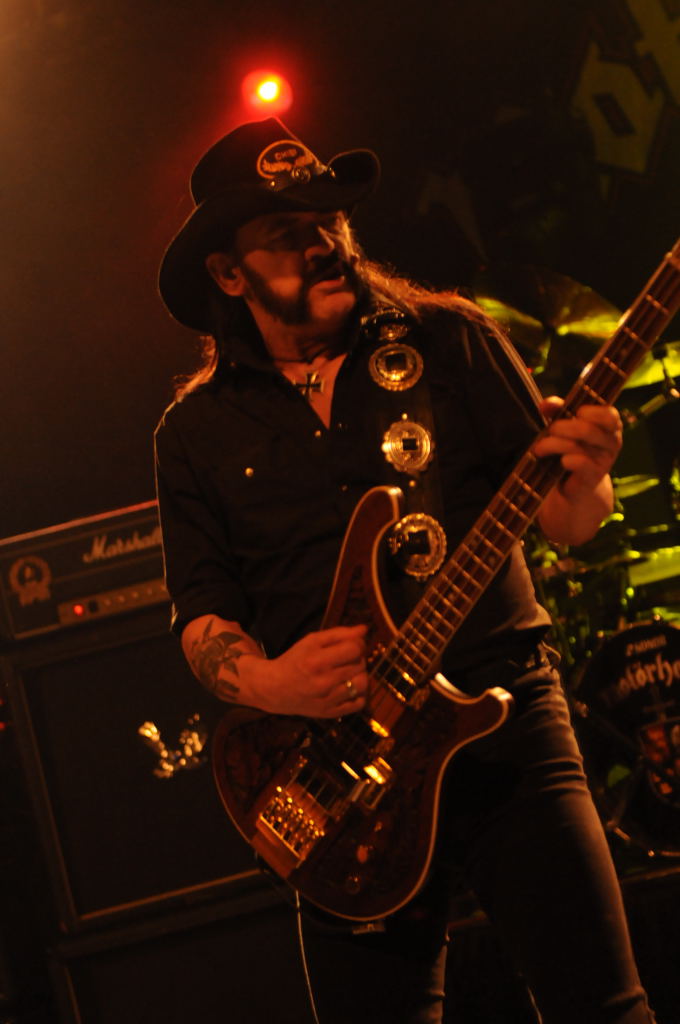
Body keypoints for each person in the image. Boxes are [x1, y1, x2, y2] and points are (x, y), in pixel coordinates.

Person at [154, 117, 656, 1023]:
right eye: (287, 233)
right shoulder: (194, 432)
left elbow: (566, 520)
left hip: (506, 731)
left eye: (328, 221)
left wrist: (590, 476)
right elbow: (201, 614)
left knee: (605, 1010)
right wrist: (270, 682)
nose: (322, 243)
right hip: (338, 774)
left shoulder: (452, 341)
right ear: (228, 274)